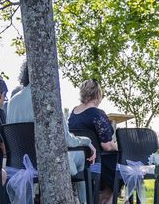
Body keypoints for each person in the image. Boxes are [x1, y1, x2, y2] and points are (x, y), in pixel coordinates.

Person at [7, 61, 95, 204]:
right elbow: (68, 141)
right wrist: (87, 141)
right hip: (46, 162)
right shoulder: (49, 99)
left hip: (19, 164)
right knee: (82, 155)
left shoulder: (12, 102)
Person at [68, 80, 118, 204]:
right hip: (96, 162)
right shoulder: (97, 113)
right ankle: (108, 200)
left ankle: (103, 198)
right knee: (123, 164)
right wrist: (118, 146)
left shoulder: (74, 113)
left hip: (79, 160)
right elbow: (107, 145)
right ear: (98, 95)